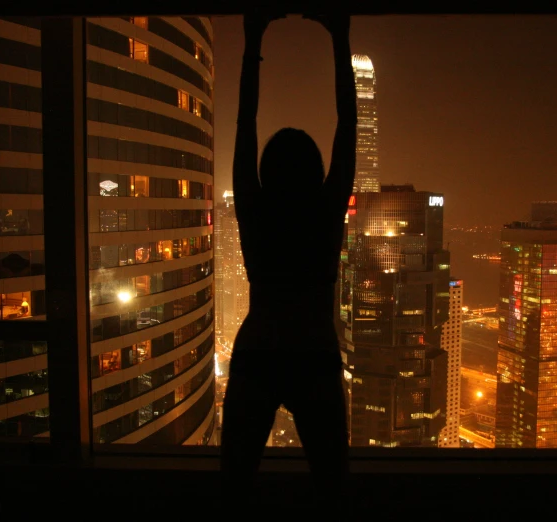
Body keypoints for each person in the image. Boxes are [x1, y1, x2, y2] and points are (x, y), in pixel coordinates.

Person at [220, 12, 357, 514]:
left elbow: (244, 123)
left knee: (235, 484)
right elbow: (349, 122)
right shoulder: (325, 211)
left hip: (259, 348)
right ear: (318, 171)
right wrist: (339, 39)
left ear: (265, 170)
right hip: (316, 351)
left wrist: (253, 41)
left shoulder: (255, 209)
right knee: (332, 488)